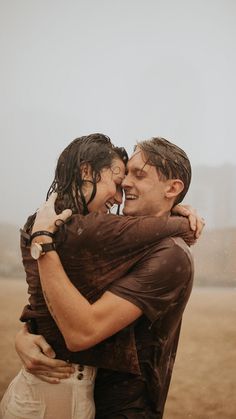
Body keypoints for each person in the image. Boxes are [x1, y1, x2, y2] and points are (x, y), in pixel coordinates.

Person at [2, 135, 203, 419]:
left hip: (122, 409)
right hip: (72, 393)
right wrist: (26, 335)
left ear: (172, 188)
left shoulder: (168, 254)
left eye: (139, 175)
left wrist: (42, 244)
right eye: (122, 177)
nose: (123, 188)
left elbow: (81, 330)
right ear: (87, 172)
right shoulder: (90, 235)